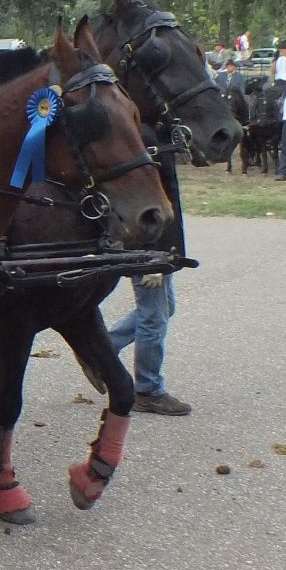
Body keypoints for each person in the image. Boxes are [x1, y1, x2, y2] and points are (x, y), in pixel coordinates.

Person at [105, 124, 191, 416]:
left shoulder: (157, 132)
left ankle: (101, 350)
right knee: (153, 318)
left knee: (166, 308)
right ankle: (148, 390)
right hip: (148, 245)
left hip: (159, 244)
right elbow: (146, 202)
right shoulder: (145, 135)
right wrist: (154, 257)